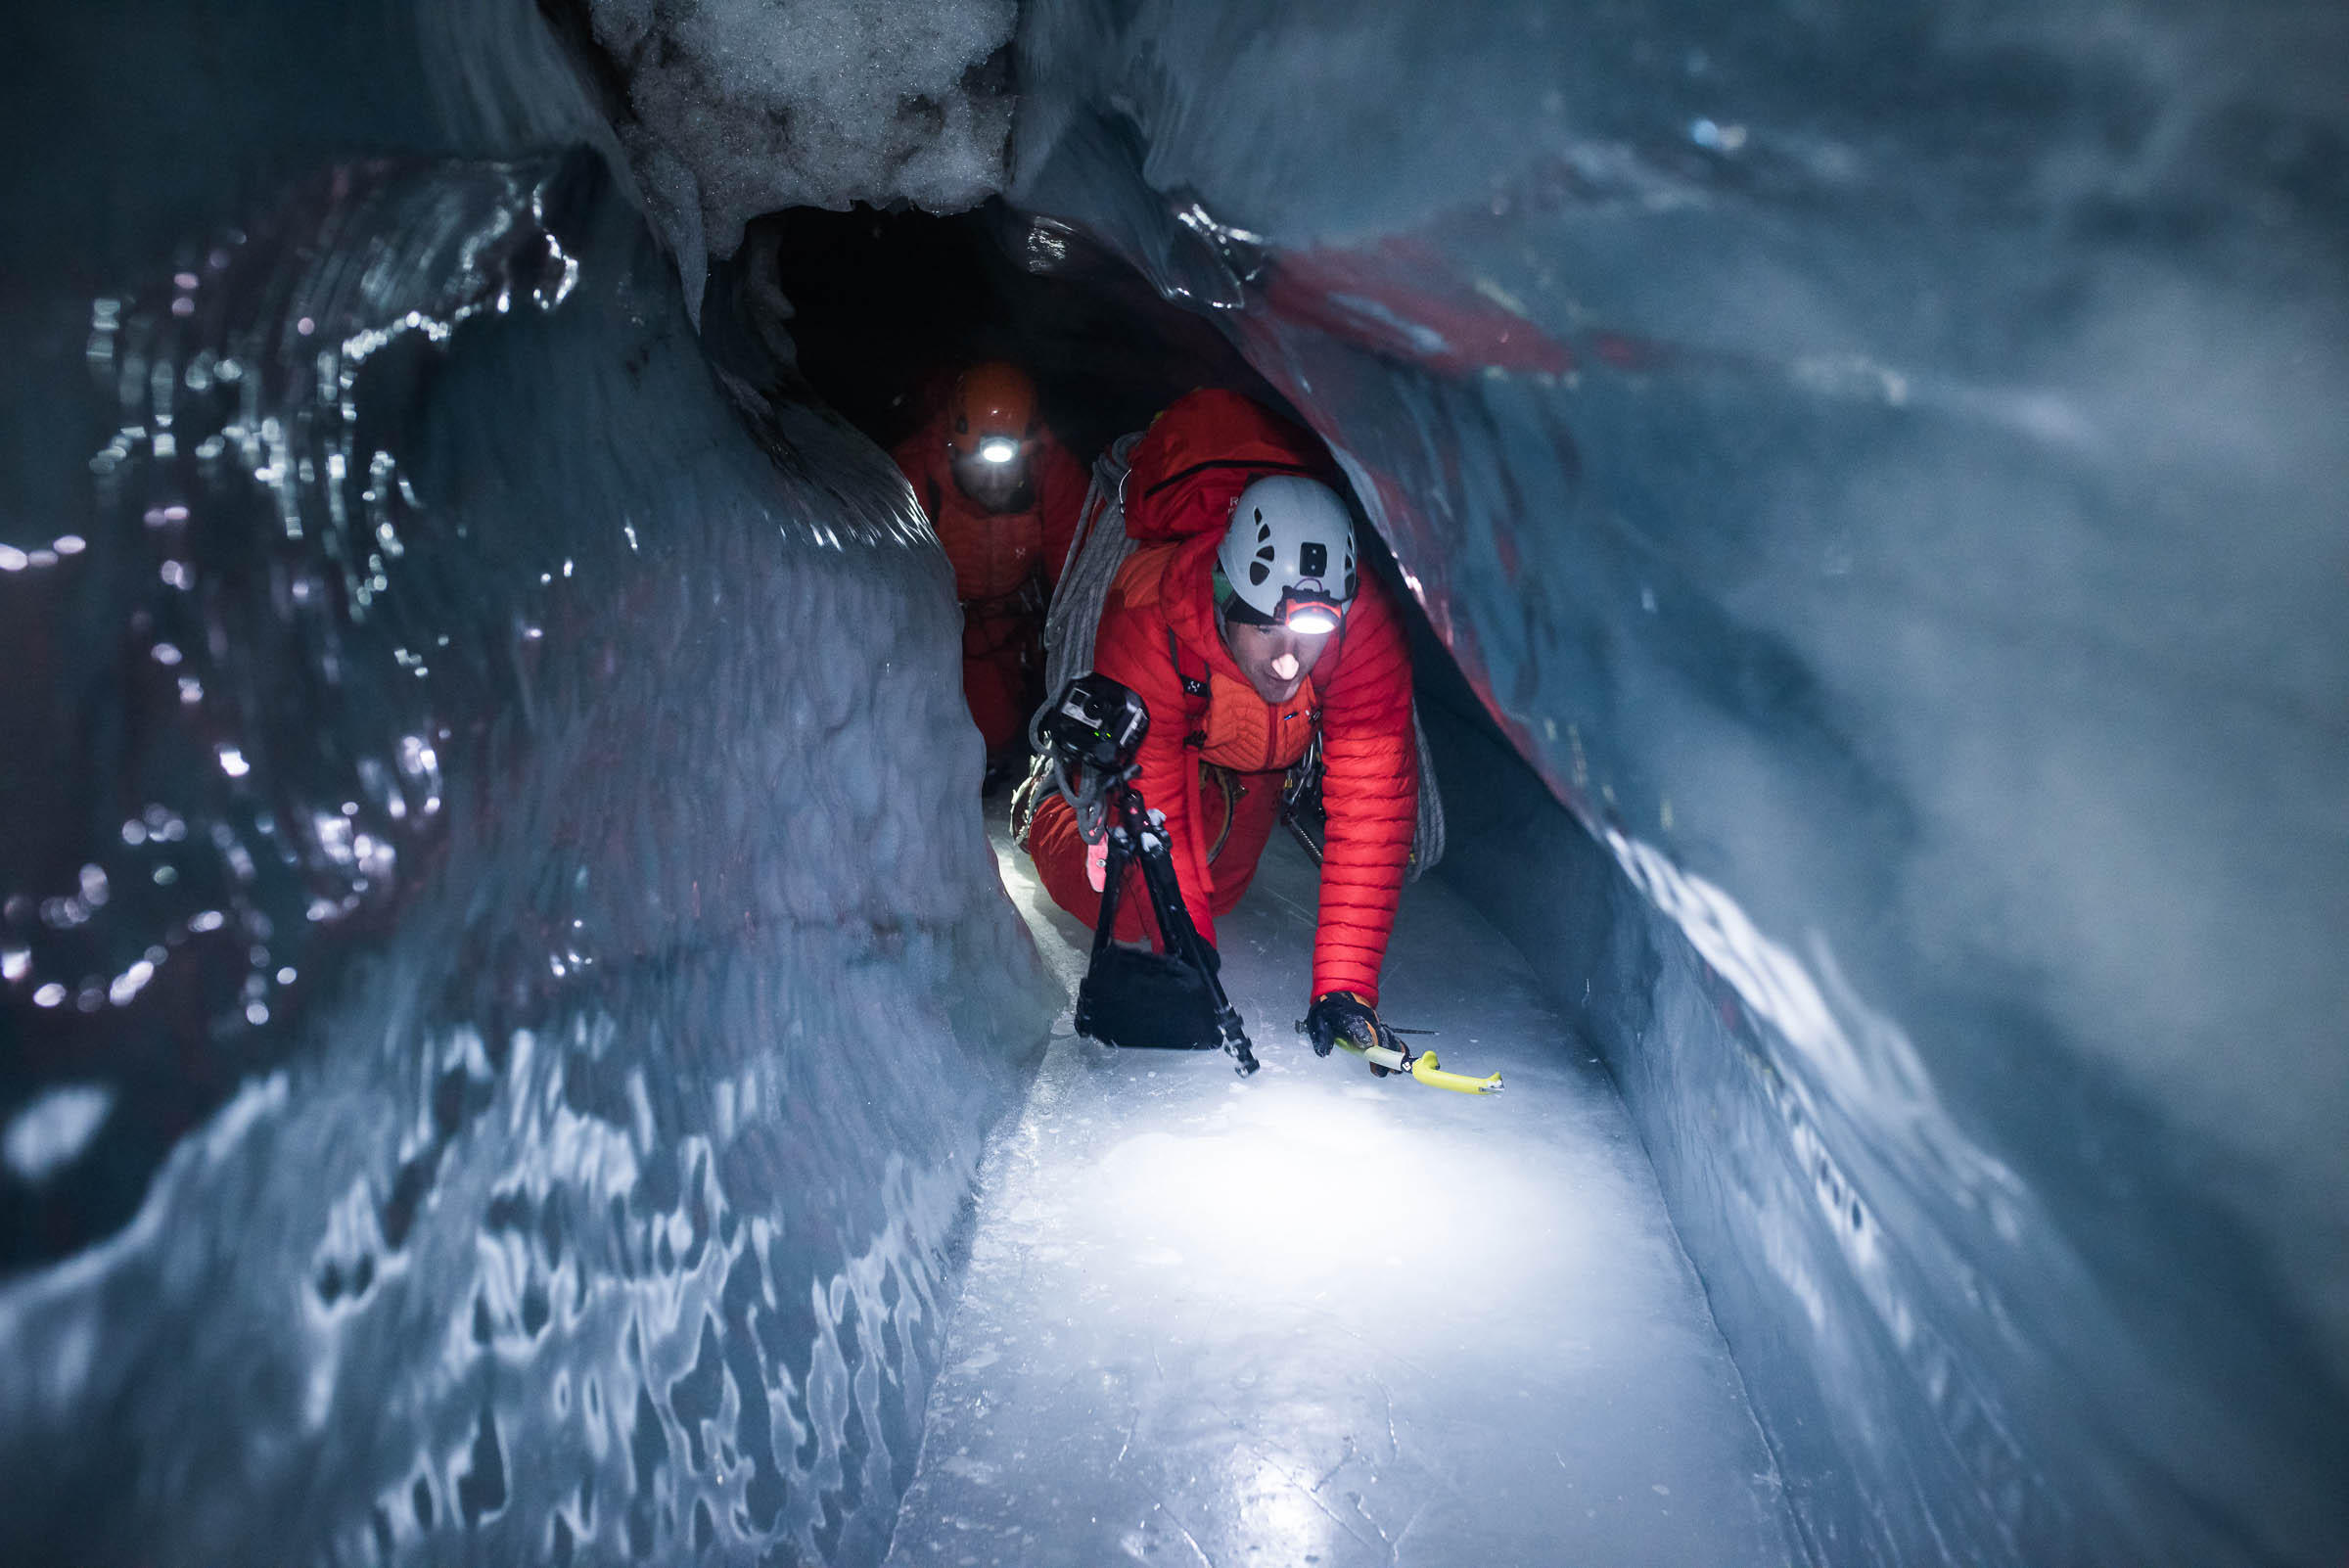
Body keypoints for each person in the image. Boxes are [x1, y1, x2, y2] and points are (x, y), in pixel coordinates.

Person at [1023, 392, 1420, 1058]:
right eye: (1267, 628)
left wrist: (1346, 989)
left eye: (1311, 633)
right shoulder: (1150, 612)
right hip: (1175, 738)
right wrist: (1188, 960)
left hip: (1260, 757)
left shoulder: (1364, 626)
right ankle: (1046, 806)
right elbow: (1156, 809)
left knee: (1224, 889)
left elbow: (1373, 805)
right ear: (1226, 597)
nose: (1292, 658)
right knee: (1117, 902)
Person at [893, 362, 1087, 784]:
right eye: (982, 466)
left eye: (1008, 465)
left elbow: (1078, 582)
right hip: (939, 626)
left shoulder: (1054, 475)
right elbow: (890, 596)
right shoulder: (911, 478)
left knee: (996, 729)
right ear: (953, 446)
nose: (996, 483)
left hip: (1011, 622)